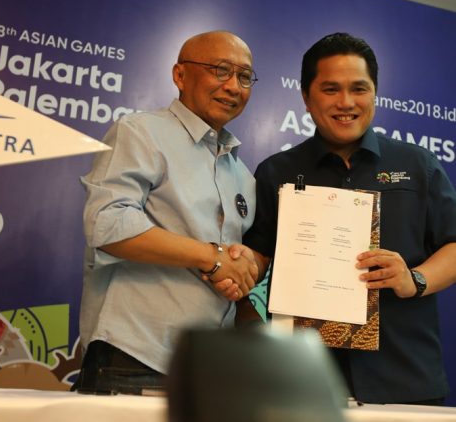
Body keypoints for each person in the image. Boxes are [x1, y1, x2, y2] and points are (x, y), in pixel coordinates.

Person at [242, 32, 456, 404]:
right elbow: (258, 256)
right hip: (303, 383)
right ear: (306, 97)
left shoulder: (417, 165)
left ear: (374, 94)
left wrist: (414, 279)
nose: (346, 102)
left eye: (359, 88)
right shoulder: (276, 172)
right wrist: (237, 264)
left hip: (406, 379)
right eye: (330, 89)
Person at [73, 30, 263, 395]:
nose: (233, 86)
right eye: (221, 70)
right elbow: (108, 223)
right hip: (135, 357)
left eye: (244, 76)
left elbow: (231, 266)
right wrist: (212, 256)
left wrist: (241, 268)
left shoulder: (243, 175)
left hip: (209, 370)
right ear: (180, 75)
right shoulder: (140, 132)